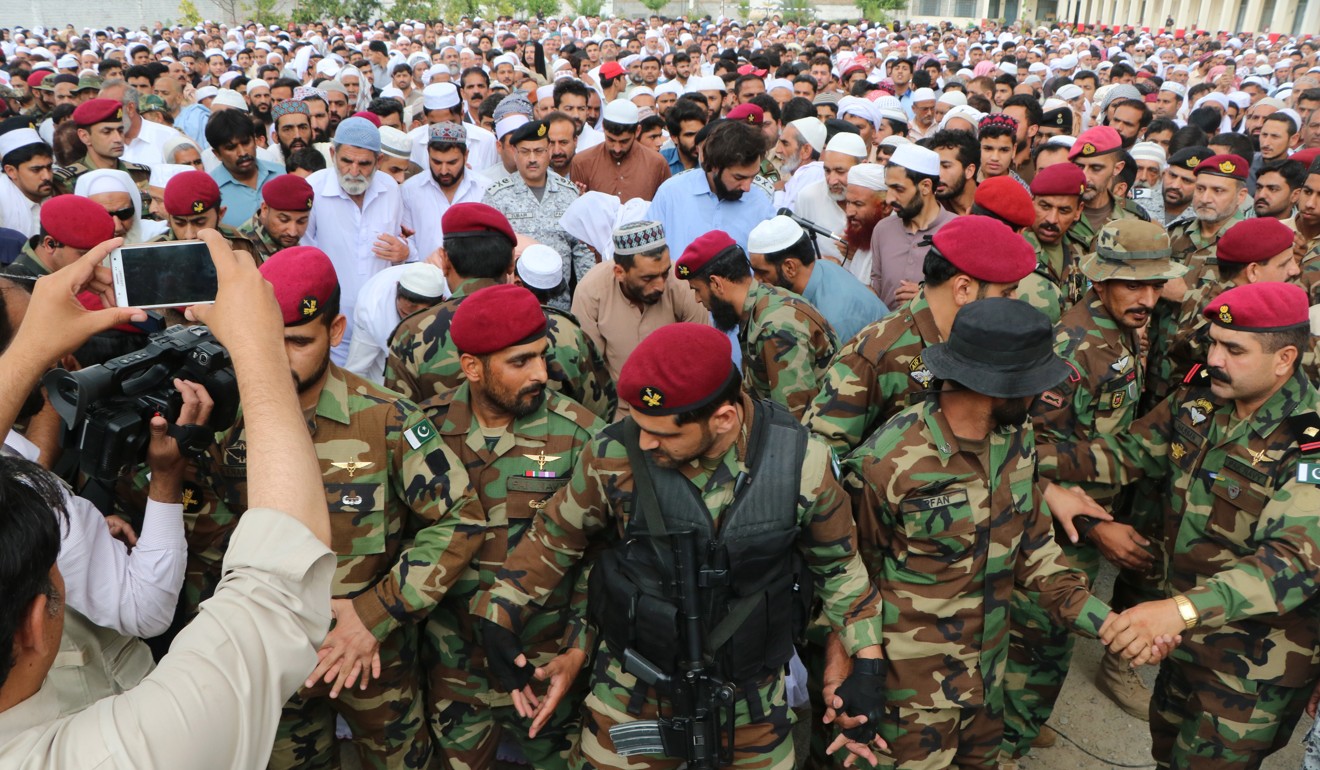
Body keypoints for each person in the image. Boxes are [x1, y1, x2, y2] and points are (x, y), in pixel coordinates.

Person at [471, 321, 888, 770]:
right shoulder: (614, 454)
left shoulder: (800, 466)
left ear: (723, 418)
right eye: (639, 426)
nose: (645, 442)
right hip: (632, 687)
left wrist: (867, 664)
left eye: (665, 434)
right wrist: (500, 613)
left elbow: (839, 568)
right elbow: (555, 537)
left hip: (750, 697)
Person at [0, 228, 337, 769]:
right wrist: (257, 350)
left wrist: (27, 351)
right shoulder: (129, 750)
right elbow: (275, 591)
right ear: (34, 623)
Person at [840, 297, 1156, 770]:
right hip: (910, 705)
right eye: (1034, 386)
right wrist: (851, 680)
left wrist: (1107, 624)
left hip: (988, 684)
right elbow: (845, 582)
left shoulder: (1014, 437)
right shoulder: (887, 463)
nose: (1040, 399)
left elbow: (1033, 548)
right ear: (1000, 388)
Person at [186, 245, 469, 769]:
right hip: (269, 657)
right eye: (265, 340)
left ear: (335, 332)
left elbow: (456, 519)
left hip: (371, 654)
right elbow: (205, 532)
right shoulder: (223, 419)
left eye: (296, 342)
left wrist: (373, 613)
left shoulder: (385, 419)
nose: (277, 357)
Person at [1044, 281, 1320, 770]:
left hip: (1251, 668)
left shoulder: (1308, 443)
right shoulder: (1203, 396)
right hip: (1179, 639)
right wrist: (1020, 459)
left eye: (1234, 349)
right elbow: (1126, 453)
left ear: (1285, 359)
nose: (1215, 357)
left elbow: (1291, 563)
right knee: (1166, 752)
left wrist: (1179, 611)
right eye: (1213, 342)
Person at [1001, 220, 1189, 765]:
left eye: (1156, 285)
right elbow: (1022, 450)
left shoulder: (1123, 327)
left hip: (1089, 512)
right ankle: (1008, 737)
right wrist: (1092, 524)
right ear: (1102, 281)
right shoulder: (1072, 348)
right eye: (1133, 284)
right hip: (1054, 527)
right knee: (1037, 640)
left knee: (1052, 642)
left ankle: (1024, 718)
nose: (1147, 298)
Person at [415, 284, 604, 770]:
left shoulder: (581, 435)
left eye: (542, 357)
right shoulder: (424, 430)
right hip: (453, 666)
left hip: (547, 662)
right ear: (472, 367)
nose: (540, 374)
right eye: (520, 362)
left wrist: (579, 650)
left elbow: (603, 560)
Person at [804, 215, 1036, 455]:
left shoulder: (982, 341)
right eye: (1007, 293)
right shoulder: (876, 355)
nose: (1014, 302)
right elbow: (818, 458)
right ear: (963, 289)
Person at [385, 202, 616, 420]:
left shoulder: (412, 334)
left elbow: (399, 423)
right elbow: (599, 413)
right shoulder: (562, 330)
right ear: (511, 265)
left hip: (443, 461)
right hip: (547, 462)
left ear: (444, 261)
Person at [677, 229, 838, 419]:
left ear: (716, 284)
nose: (697, 299)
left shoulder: (774, 326)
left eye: (697, 289)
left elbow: (793, 419)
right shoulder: (761, 304)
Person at [303, 117, 412, 366]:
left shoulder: (390, 189)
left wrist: (403, 252)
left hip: (380, 323)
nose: (354, 171)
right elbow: (305, 254)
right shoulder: (314, 189)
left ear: (379, 161)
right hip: (330, 320)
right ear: (333, 154)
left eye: (364, 164)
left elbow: (399, 246)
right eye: (346, 161)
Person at [570, 220, 709, 382]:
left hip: (677, 400)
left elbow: (700, 353)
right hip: (618, 404)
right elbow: (590, 368)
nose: (660, 286)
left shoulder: (682, 284)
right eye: (647, 278)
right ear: (619, 272)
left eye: (664, 273)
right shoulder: (590, 292)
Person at [482, 119, 591, 311]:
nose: (532, 159)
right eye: (525, 152)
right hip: (513, 306)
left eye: (539, 151)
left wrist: (586, 300)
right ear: (515, 153)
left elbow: (582, 251)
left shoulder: (569, 193)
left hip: (560, 306)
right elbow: (489, 255)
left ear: (549, 150)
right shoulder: (497, 196)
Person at [747, 214, 887, 342]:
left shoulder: (835, 320)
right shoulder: (821, 266)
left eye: (762, 272)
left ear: (790, 267)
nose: (757, 280)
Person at [647, 118, 775, 257]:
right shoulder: (671, 193)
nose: (747, 187)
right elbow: (649, 252)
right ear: (714, 166)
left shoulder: (759, 201)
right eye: (739, 178)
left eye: (753, 177)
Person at [870, 143, 954, 307]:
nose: (889, 199)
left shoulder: (958, 231)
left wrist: (928, 297)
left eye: (899, 189)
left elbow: (971, 295)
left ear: (925, 186)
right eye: (888, 188)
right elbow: (877, 290)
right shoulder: (883, 230)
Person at [344, 261, 447, 384]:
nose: (408, 305)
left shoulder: (454, 306)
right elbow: (356, 370)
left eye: (416, 315)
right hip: (386, 386)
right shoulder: (372, 307)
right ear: (396, 286)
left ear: (441, 302)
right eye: (404, 313)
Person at [403, 122, 489, 262]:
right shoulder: (410, 190)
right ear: (428, 154)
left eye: (452, 163)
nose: (443, 171)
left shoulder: (485, 189)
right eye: (436, 162)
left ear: (466, 155)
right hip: (426, 278)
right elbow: (407, 242)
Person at [1018, 162, 1088, 324]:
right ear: (1032, 201)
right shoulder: (1013, 248)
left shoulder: (1082, 251)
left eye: (1064, 210)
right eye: (1045, 206)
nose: (1051, 219)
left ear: (1078, 211)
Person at [1066, 125, 1151, 252]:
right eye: (1079, 166)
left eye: (1096, 168)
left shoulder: (1134, 216)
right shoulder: (1057, 211)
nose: (1085, 177)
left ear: (1117, 168)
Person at [569, 99, 670, 201]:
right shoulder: (582, 162)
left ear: (638, 131)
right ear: (603, 127)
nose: (617, 149)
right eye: (611, 140)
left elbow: (664, 207)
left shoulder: (657, 163)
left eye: (624, 142)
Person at [53, 98, 151, 200]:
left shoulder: (140, 174)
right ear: (84, 136)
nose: (118, 139)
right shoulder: (66, 182)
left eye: (120, 130)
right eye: (107, 132)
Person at [205, 108, 284, 228]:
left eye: (246, 143)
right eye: (231, 148)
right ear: (217, 154)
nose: (242, 153)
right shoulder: (210, 190)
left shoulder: (280, 174)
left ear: (255, 140)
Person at [5, 194, 114, 279]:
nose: (97, 264)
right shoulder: (15, 288)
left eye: (100, 256)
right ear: (50, 245)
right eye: (84, 255)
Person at [154, 170, 258, 257]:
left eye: (200, 222)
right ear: (169, 219)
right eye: (179, 223)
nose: (190, 235)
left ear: (220, 214)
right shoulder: (153, 252)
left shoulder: (242, 245)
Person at [237, 173, 314, 263]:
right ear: (265, 209)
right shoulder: (241, 248)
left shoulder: (291, 243)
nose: (293, 232)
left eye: (301, 221)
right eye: (284, 220)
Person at [0, 127, 56, 237]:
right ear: (11, 171)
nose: (47, 176)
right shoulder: (2, 204)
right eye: (36, 170)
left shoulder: (62, 190)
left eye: (49, 167)